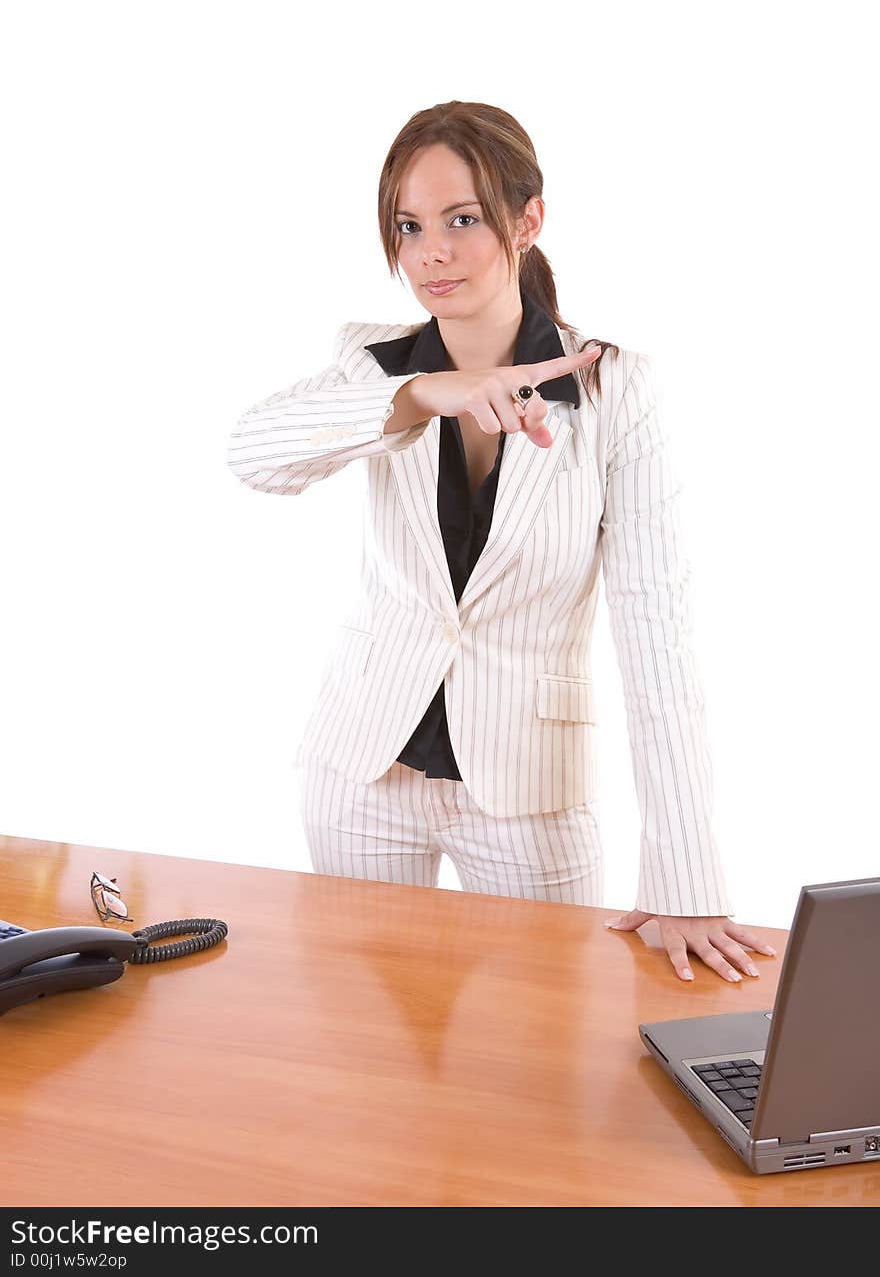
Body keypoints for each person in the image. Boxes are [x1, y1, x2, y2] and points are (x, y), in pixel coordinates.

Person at [226, 100, 776, 984]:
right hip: (363, 774)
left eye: (463, 219)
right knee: (368, 1062)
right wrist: (423, 396)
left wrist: (686, 876)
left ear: (528, 220)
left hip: (528, 796)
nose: (430, 252)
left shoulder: (613, 390)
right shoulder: (374, 361)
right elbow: (252, 453)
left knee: (536, 1061)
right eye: (409, 227)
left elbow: (656, 631)